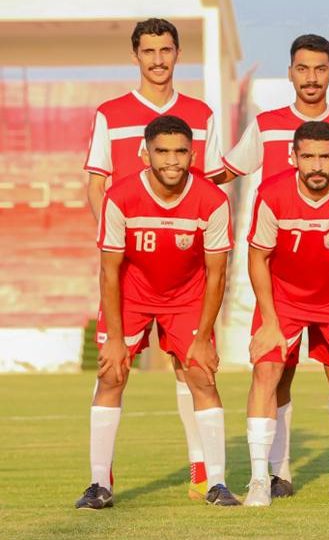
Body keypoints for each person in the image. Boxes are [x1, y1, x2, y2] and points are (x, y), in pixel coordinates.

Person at [215, 34, 329, 498]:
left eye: (320, 68)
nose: (311, 77)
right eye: (302, 68)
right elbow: (228, 171)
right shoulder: (267, 126)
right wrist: (175, 181)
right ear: (290, 73)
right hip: (283, 275)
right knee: (276, 372)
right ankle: (276, 472)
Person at [83, 18, 223, 499]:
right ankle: (100, 478)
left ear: (178, 54)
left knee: (193, 367)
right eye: (149, 51)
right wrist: (115, 240)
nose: (158, 60)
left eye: (166, 50)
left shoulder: (201, 115)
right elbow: (97, 184)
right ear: (135, 56)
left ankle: (202, 469)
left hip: (186, 270)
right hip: (130, 270)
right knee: (112, 369)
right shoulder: (111, 113)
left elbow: (212, 184)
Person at [76, 115, 238, 509]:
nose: (171, 160)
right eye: (162, 151)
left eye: (180, 151)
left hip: (186, 297)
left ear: (193, 155)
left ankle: (216, 482)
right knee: (111, 375)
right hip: (131, 295)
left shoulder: (213, 201)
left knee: (202, 376)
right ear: (144, 153)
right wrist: (115, 339)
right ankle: (99, 484)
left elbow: (217, 274)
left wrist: (204, 337)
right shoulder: (120, 197)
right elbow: (109, 271)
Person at [241, 121, 329, 506]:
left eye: (325, 157)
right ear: (293, 157)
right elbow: (258, 258)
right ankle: (261, 479)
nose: (316, 166)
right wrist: (270, 322)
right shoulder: (271, 193)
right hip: (284, 299)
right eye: (308, 157)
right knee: (267, 372)